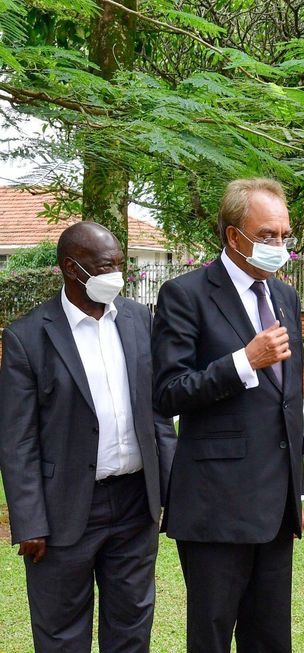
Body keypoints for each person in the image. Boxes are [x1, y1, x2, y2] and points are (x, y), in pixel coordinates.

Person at [0, 222, 177, 653]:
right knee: (62, 635)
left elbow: (155, 414)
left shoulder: (138, 318)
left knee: (132, 626)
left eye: (119, 264)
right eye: (105, 266)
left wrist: (174, 491)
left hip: (135, 505)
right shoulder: (27, 337)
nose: (115, 275)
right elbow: (17, 439)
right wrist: (29, 522)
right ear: (70, 268)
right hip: (63, 511)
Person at [152, 178, 304, 653]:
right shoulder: (186, 295)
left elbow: (287, 404)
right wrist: (244, 361)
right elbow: (168, 393)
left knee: (270, 637)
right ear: (233, 236)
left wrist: (294, 492)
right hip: (215, 506)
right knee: (212, 635)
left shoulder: (285, 298)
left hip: (274, 506)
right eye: (267, 235)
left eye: (284, 236)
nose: (278, 245)